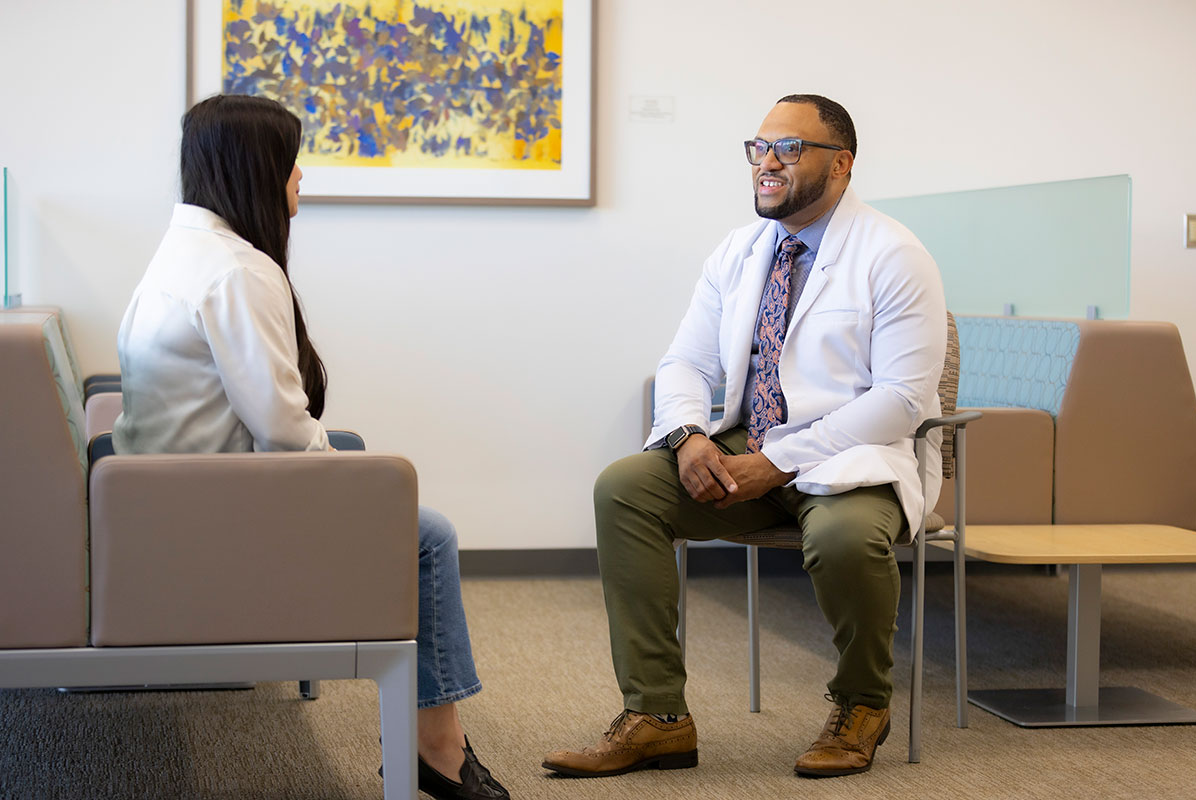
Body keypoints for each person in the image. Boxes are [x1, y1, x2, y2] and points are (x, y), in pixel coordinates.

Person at [112, 94, 508, 800]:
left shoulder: (183, 252)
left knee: (375, 484)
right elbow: (285, 435)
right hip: (206, 519)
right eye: (293, 163)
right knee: (426, 534)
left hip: (161, 506)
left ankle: (436, 744)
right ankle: (439, 749)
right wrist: (353, 493)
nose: (303, 179)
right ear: (256, 167)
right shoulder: (236, 270)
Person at [542, 94, 946, 780]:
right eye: (759, 147)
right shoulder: (739, 251)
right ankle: (657, 716)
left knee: (844, 537)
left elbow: (901, 399)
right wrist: (690, 437)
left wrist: (780, 462)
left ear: (841, 165)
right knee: (626, 489)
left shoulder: (895, 254)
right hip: (744, 449)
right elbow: (686, 363)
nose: (767, 162)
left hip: (851, 459)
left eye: (789, 148)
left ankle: (861, 705)